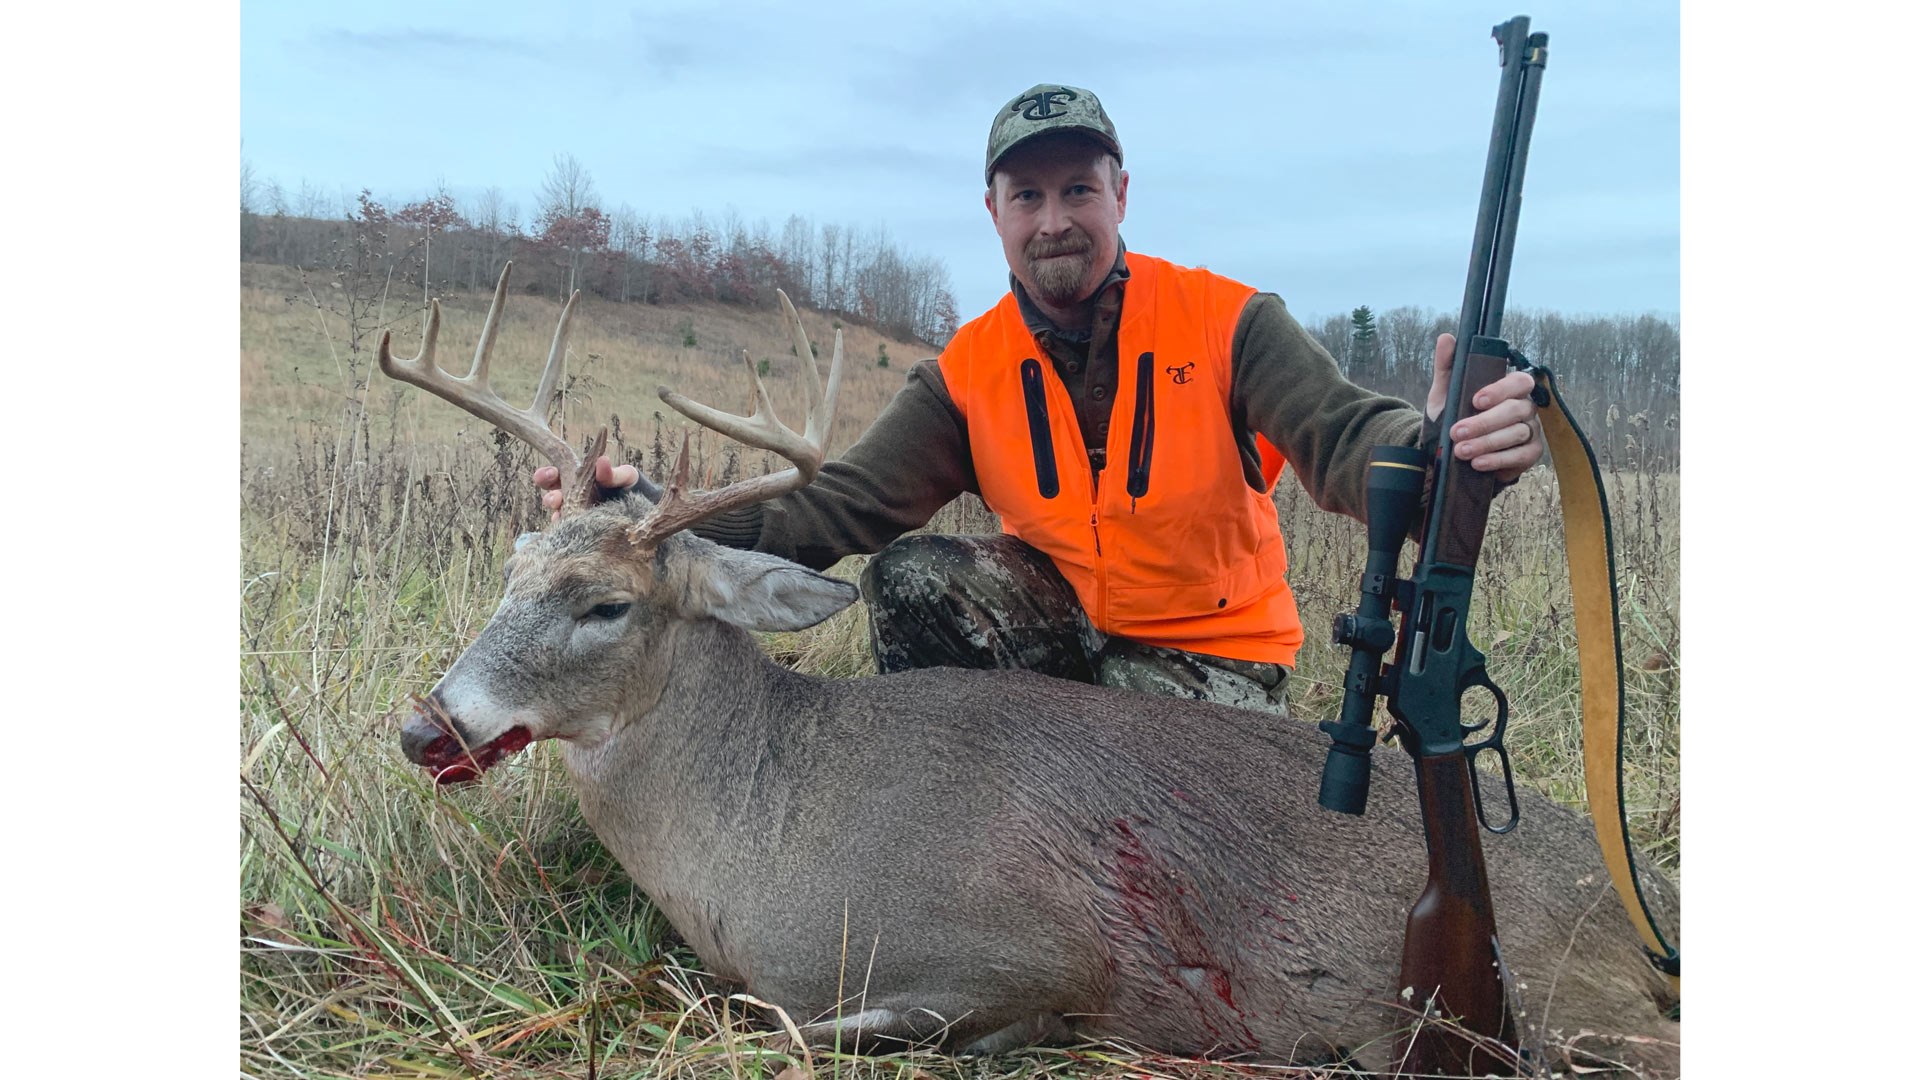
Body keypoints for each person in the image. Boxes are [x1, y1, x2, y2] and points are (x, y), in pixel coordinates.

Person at [535, 84, 1543, 719]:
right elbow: (829, 509)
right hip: (1059, 647)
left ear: (1121, 194)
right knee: (916, 576)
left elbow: (1347, 439)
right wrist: (637, 516)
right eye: (1028, 197)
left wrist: (1445, 447)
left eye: (1077, 191)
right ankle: (955, 822)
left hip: (1208, 665)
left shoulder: (1230, 323)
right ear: (994, 214)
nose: (1054, 221)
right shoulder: (970, 368)